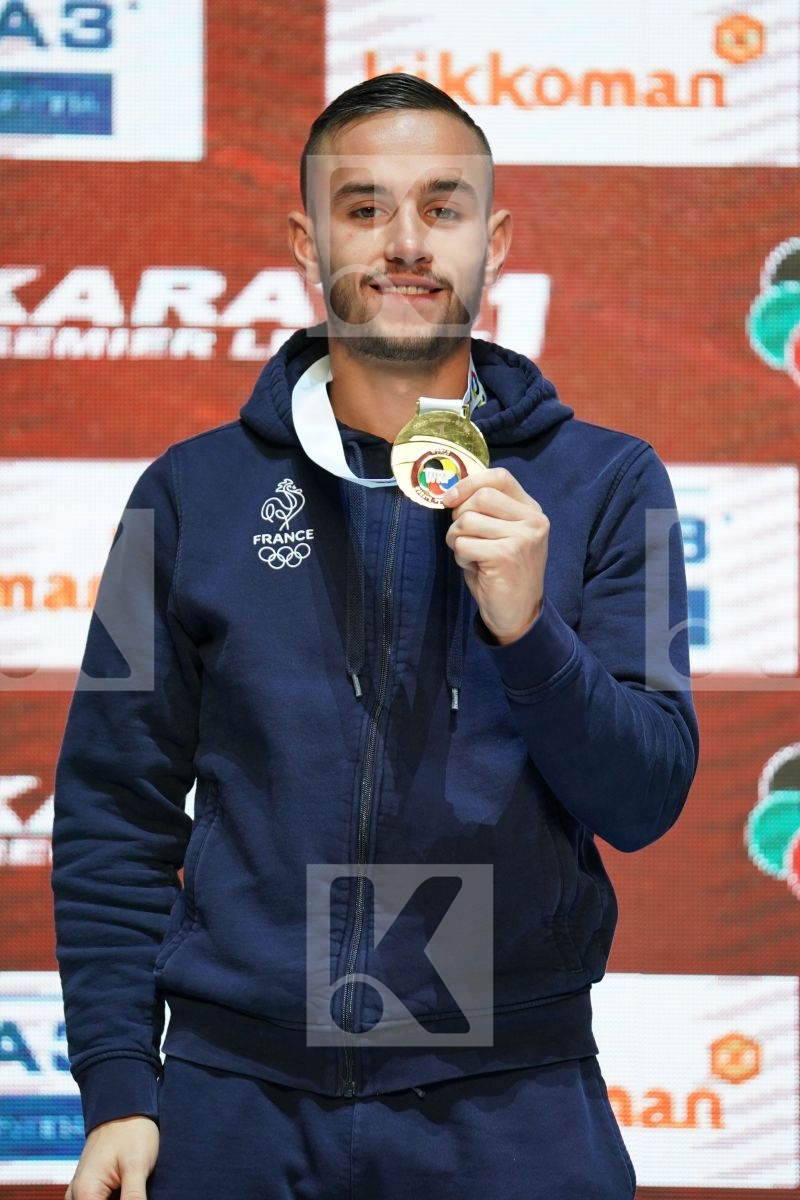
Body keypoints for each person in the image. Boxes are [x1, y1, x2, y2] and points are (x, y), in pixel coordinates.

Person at [53, 73, 698, 1200]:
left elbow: (644, 798)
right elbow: (113, 809)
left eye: (442, 208)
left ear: (494, 239)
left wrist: (528, 633)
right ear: (306, 241)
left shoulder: (607, 483)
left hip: (512, 1099)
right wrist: (116, 1085)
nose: (406, 242)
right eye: (365, 207)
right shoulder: (189, 493)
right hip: (237, 1100)